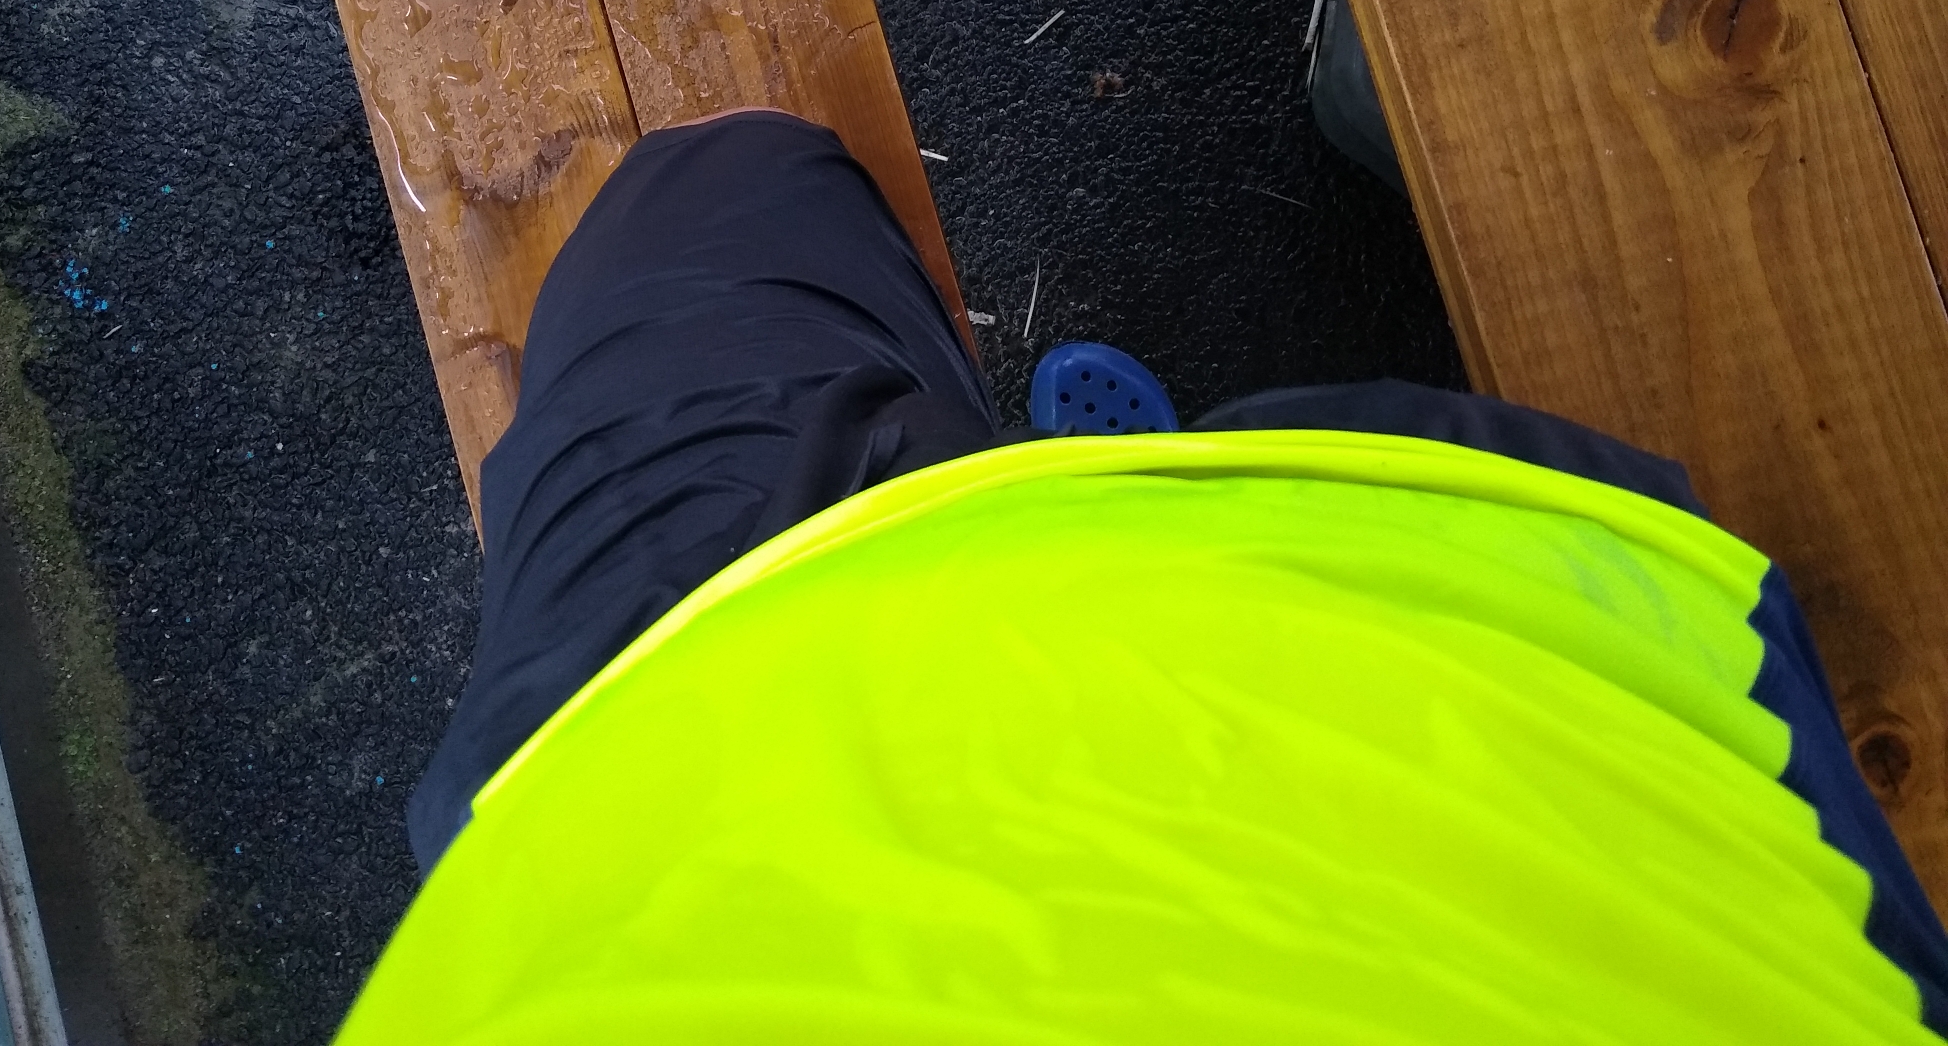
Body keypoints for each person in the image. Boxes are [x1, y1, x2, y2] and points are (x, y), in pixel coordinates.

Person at [338, 109, 1948, 1043]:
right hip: (1534, 635)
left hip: (676, 735)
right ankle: (1134, 503)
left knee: (714, 186)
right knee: (728, 197)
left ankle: (1129, 504)